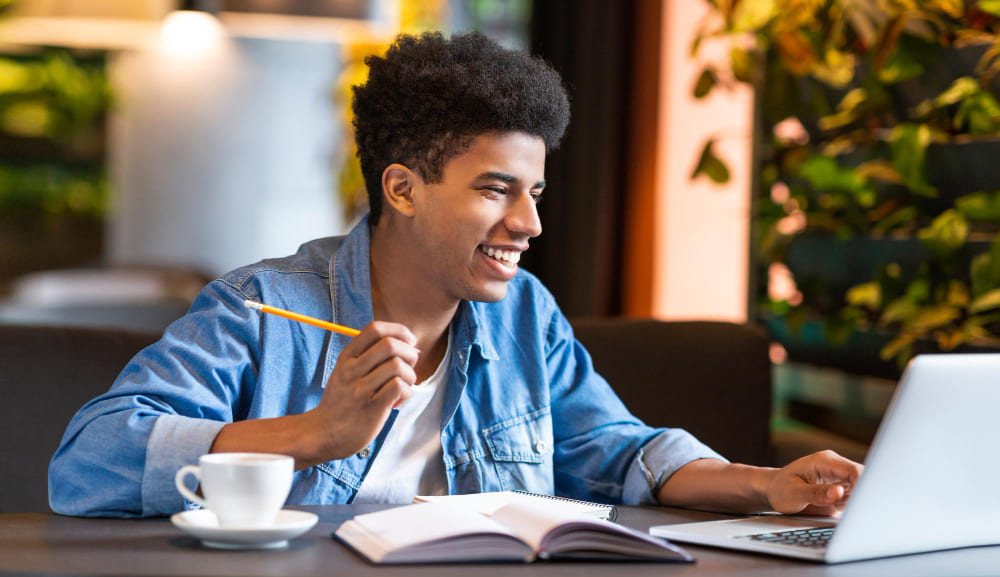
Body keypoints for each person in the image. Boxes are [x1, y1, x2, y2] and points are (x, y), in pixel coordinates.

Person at [49, 31, 861, 517]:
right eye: (496, 189)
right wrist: (312, 435)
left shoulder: (525, 317)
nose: (530, 223)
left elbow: (619, 450)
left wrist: (768, 486)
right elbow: (87, 462)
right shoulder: (262, 308)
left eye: (535, 191)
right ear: (402, 187)